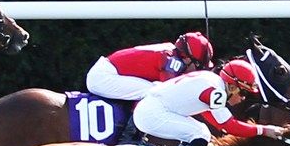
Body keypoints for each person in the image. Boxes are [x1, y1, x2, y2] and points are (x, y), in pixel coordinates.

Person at [133, 59, 286, 146]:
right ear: (232, 86)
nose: (243, 98)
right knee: (200, 133)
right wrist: (264, 130)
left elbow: (210, 115)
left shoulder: (212, 81)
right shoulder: (216, 91)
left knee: (201, 132)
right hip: (152, 114)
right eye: (243, 92)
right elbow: (229, 126)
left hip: (150, 109)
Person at [85, 31, 214, 101]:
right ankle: (131, 134)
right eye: (198, 65)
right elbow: (170, 91)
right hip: (103, 77)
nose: (198, 70)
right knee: (155, 93)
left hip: (108, 72)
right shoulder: (170, 60)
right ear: (186, 58)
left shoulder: (172, 52)